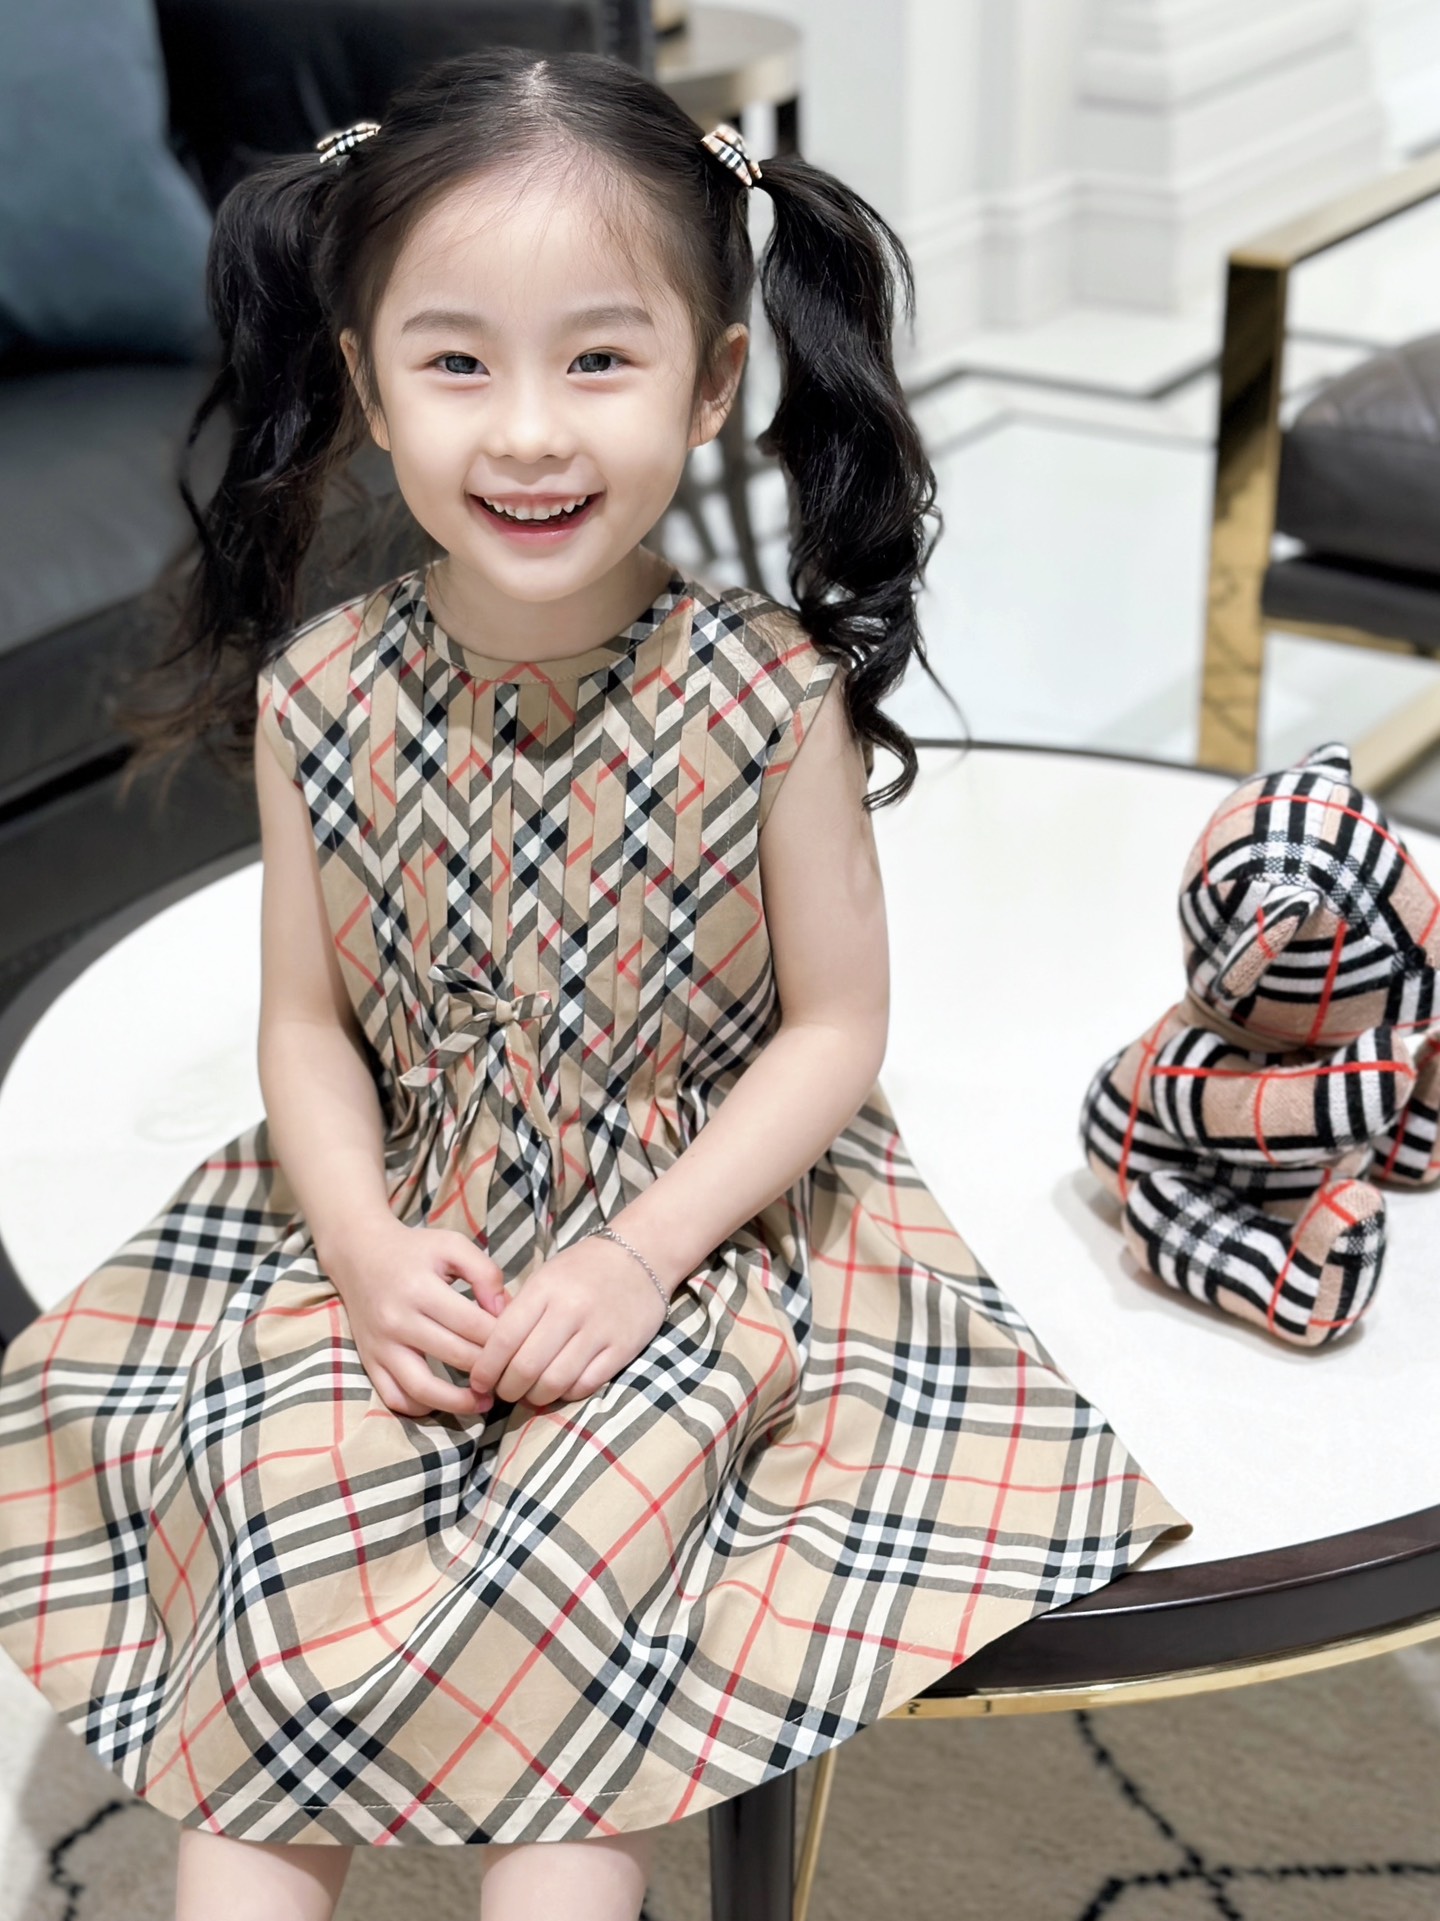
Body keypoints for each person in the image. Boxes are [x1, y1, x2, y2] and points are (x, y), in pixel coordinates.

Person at [0, 46, 1190, 1921]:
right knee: (266, 1593)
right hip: (398, 1214)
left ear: (714, 383)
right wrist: (364, 1247)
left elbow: (835, 1029)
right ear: (370, 384)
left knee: (575, 1657)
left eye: (601, 361)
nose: (531, 434)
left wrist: (635, 1258)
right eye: (458, 363)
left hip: (691, 1238)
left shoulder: (767, 699)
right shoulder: (322, 694)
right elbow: (306, 1026)